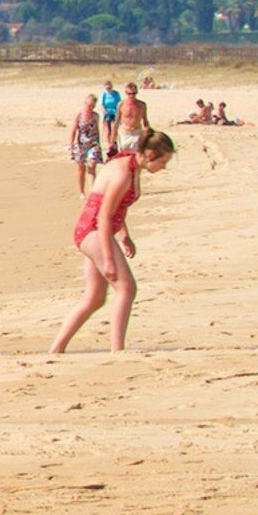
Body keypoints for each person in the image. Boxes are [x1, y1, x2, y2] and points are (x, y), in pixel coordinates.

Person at [50, 128, 171, 354]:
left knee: (95, 298)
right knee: (127, 289)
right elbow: (104, 215)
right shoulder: (123, 172)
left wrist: (124, 235)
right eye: (163, 162)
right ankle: (118, 350)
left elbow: (117, 208)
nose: (164, 167)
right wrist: (108, 258)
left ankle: (56, 350)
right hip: (94, 230)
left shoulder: (132, 165)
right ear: (150, 154)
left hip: (99, 231)